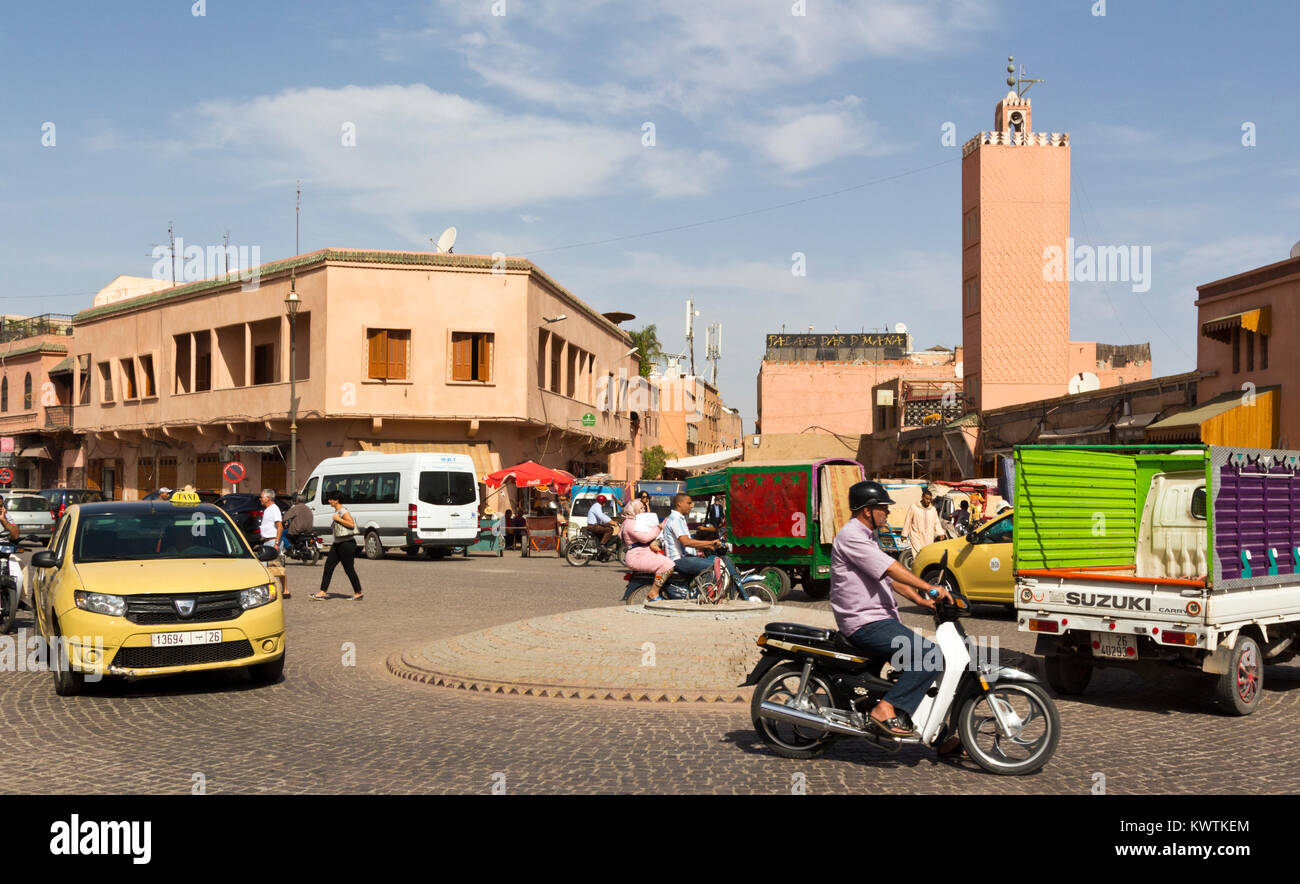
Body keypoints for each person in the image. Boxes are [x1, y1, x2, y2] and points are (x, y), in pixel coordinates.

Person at [831, 481, 954, 742]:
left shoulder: (867, 537)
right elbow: (891, 569)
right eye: (884, 509)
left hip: (878, 620)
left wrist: (920, 599)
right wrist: (930, 588)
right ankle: (884, 709)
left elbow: (891, 581)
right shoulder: (852, 536)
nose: (887, 513)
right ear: (868, 510)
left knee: (919, 665)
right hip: (864, 622)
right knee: (929, 655)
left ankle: (938, 736)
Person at [660, 493, 747, 599]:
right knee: (712, 566)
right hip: (679, 560)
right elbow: (686, 542)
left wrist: (706, 546)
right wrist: (709, 543)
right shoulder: (675, 519)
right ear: (679, 503)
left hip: (686, 557)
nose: (691, 506)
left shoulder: (680, 519)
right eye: (689, 503)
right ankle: (704, 596)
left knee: (716, 559)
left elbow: (687, 543)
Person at [313, 488, 364, 600]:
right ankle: (322, 592)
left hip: (346, 544)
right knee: (328, 567)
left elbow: (351, 525)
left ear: (336, 500)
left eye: (331, 499)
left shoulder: (342, 511)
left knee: (349, 569)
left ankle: (358, 592)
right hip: (337, 544)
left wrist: (338, 519)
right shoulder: (337, 511)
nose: (329, 501)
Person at [621, 499, 674, 600]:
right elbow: (644, 538)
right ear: (633, 511)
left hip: (644, 553)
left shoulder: (637, 522)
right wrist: (659, 527)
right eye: (641, 508)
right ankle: (654, 592)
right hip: (637, 556)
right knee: (667, 565)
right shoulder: (630, 523)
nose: (644, 509)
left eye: (643, 507)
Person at [258, 488, 288, 599]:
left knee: (275, 567)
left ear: (268, 498)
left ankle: (282, 590)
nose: (260, 499)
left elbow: (280, 526)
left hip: (272, 541)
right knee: (273, 567)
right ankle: (284, 590)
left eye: (262, 497)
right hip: (268, 541)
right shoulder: (268, 509)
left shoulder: (274, 509)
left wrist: (276, 543)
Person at [901, 489, 942, 556]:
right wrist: (904, 534)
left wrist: (940, 533)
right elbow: (908, 521)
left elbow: (936, 522)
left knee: (927, 553)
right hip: (916, 534)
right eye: (927, 499)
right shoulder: (914, 507)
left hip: (928, 536)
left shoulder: (933, 509)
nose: (928, 501)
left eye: (930, 499)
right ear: (922, 497)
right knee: (918, 553)